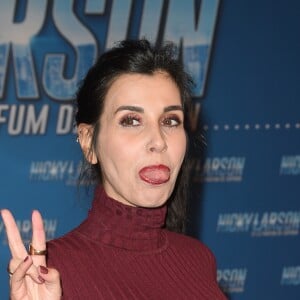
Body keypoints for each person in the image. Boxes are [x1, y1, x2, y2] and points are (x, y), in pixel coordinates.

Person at [1, 39, 227, 299]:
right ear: (88, 142)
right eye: (131, 120)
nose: (158, 141)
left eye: (170, 120)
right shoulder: (52, 272)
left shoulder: (198, 259)